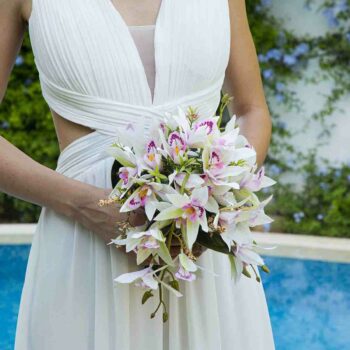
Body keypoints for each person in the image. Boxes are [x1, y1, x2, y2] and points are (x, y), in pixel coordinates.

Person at [0, 0, 275, 348]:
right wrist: (87, 205)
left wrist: (220, 195)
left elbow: (252, 110)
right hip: (83, 245)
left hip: (203, 250)